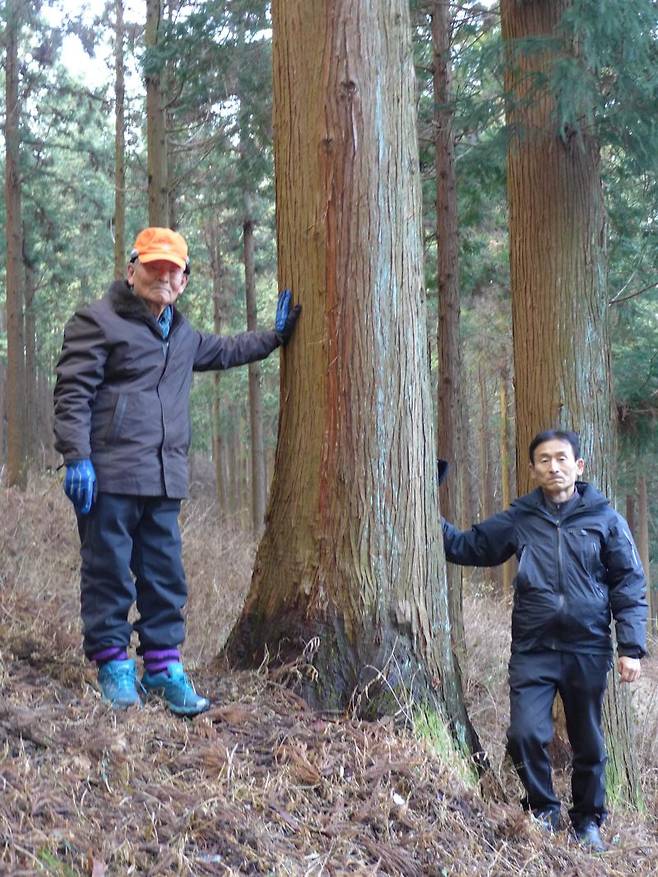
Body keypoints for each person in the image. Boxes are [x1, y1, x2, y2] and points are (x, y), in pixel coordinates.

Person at [53, 227, 301, 716]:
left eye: (173, 270)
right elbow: (72, 393)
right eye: (153, 266)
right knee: (108, 572)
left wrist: (275, 337)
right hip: (111, 476)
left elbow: (228, 350)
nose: (163, 276)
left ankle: (164, 670)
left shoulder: (183, 335)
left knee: (165, 577)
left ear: (184, 281)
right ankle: (113, 666)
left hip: (165, 480)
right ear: (131, 270)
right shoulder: (96, 321)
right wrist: (77, 456)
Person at [442, 429, 647, 851]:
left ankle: (588, 821)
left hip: (588, 647)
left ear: (578, 466)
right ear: (534, 469)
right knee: (523, 734)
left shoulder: (605, 519)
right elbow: (467, 546)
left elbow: (629, 583)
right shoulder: (521, 518)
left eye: (561, 458)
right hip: (533, 649)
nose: (554, 466)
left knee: (587, 740)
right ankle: (543, 810)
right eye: (544, 460)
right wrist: (421, 500)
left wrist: (630, 648)